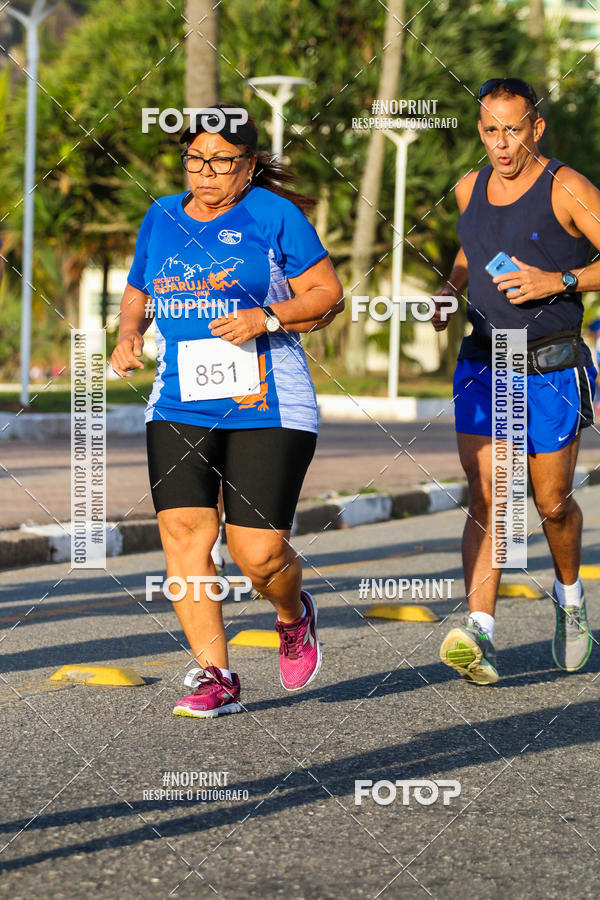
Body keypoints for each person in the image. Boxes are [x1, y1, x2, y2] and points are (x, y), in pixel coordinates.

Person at [111, 104, 343, 717]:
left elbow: (327, 295)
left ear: (249, 165)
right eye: (195, 159)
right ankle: (215, 675)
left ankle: (293, 614)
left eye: (221, 162)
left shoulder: (272, 214)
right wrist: (129, 333)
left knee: (258, 554)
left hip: (268, 401)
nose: (206, 173)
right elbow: (139, 287)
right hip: (181, 400)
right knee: (185, 536)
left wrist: (263, 317)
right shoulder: (161, 215)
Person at [432, 78, 598, 684]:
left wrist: (560, 281)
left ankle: (570, 600)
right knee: (489, 497)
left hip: (551, 363)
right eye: (489, 130)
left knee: (551, 502)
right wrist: (449, 293)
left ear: (537, 128)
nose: (502, 144)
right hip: (484, 362)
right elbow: (470, 251)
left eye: (513, 129)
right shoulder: (469, 187)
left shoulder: (566, 187)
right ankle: (481, 630)